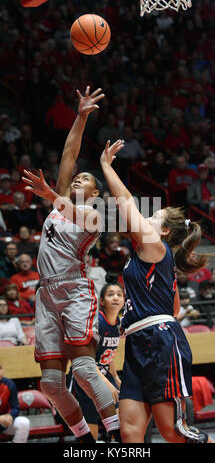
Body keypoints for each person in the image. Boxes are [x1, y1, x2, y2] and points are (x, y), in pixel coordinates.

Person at [22, 86, 122, 443]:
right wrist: (81, 116)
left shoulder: (94, 215)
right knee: (50, 382)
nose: (78, 178)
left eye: (86, 179)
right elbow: (69, 153)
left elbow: (69, 208)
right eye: (76, 177)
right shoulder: (58, 202)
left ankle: (115, 433)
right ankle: (84, 438)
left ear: (95, 193)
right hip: (45, 292)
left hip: (74, 289)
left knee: (82, 368)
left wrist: (51, 195)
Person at [99, 138, 214, 443]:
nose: (146, 218)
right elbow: (175, 308)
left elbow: (125, 203)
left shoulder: (154, 244)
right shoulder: (151, 256)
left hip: (160, 342)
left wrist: (106, 167)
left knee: (174, 433)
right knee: (130, 434)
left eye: (153, 217)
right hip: (138, 342)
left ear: (163, 231)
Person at [71, 282, 124, 441]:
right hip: (85, 379)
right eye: (110, 294)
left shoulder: (117, 323)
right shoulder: (97, 322)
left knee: (122, 423)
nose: (115, 298)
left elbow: (109, 355)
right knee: (90, 436)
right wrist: (107, 384)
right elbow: (86, 359)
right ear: (102, 301)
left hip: (103, 376)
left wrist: (115, 378)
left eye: (119, 294)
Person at [0, 363, 30, 442]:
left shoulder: (9, 384)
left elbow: (15, 407)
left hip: (4, 423)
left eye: (0, 369)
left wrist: (11, 416)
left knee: (24, 423)